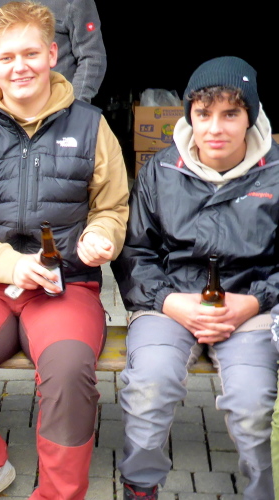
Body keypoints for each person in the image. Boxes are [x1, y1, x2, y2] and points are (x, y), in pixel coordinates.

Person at [0, 2, 128, 499]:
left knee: (69, 372)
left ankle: (58, 493)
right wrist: (9, 264)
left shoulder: (92, 126)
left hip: (64, 285)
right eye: (6, 57)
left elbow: (112, 207)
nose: (20, 67)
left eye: (31, 53)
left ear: (52, 54)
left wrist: (102, 236)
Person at [112, 56, 279, 500]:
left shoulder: (276, 173)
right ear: (189, 115)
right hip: (169, 303)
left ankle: (264, 492)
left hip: (251, 306)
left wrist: (254, 301)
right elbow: (134, 252)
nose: (215, 128)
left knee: (253, 402)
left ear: (251, 116)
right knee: (150, 384)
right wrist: (167, 301)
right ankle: (140, 486)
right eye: (203, 114)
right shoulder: (161, 169)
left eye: (231, 114)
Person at [0, 0, 106, 102]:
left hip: (58, 105)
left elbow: (92, 57)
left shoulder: (74, 2)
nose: (20, 68)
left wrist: (74, 106)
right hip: (10, 107)